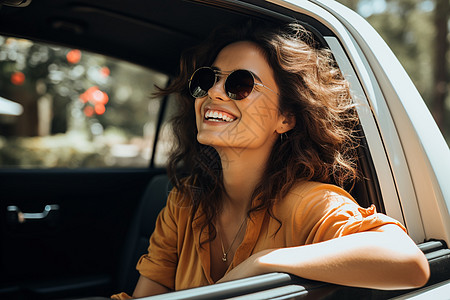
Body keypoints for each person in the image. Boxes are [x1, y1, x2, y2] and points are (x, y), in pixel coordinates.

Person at [112, 21, 429, 299]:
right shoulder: (184, 202)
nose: (215, 92)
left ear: (286, 118)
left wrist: (263, 262)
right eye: (208, 79)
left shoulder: (309, 204)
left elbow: (408, 262)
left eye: (240, 84)